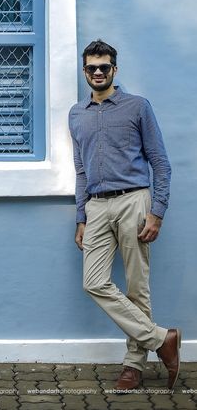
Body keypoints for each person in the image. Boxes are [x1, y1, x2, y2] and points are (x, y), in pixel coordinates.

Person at [69, 40, 180, 392]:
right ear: (84, 71)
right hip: (96, 207)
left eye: (104, 67)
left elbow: (160, 162)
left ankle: (134, 365)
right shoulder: (77, 114)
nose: (98, 73)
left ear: (115, 69)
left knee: (137, 286)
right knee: (94, 281)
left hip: (134, 200)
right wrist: (81, 217)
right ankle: (161, 339)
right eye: (91, 68)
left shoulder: (137, 107)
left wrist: (157, 211)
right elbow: (81, 171)